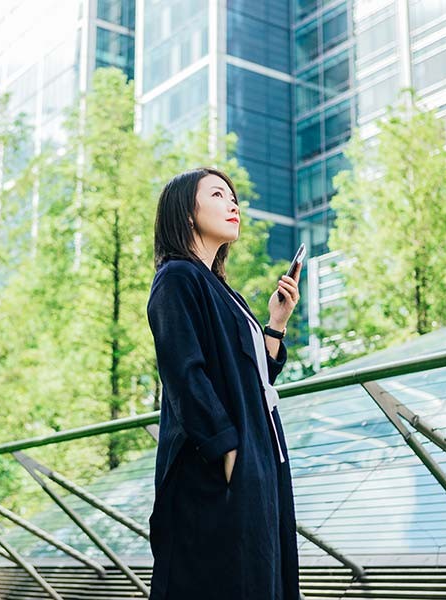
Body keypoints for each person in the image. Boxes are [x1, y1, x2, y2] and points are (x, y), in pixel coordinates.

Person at [146, 167, 302, 599]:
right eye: (217, 194)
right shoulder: (177, 278)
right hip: (216, 467)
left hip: (260, 459)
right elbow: (184, 374)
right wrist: (227, 451)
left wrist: (276, 323)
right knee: (221, 578)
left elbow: (252, 380)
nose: (233, 203)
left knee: (257, 577)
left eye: (234, 196)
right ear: (186, 212)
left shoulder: (223, 291)